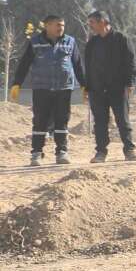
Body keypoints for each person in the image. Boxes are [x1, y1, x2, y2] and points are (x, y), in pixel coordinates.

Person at [10, 14, 85, 166]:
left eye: (62, 25)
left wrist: (84, 84)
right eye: (58, 25)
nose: (61, 28)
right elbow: (25, 63)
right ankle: (36, 153)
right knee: (40, 121)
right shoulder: (35, 42)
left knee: (62, 120)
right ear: (47, 26)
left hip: (63, 88)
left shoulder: (70, 41)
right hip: (41, 88)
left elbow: (77, 64)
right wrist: (17, 83)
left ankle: (62, 152)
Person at [84, 9, 136, 162]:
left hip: (118, 87)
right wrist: (87, 87)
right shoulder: (92, 43)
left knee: (122, 119)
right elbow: (88, 66)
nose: (90, 26)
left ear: (102, 21)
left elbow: (131, 62)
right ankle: (101, 152)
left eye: (92, 23)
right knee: (100, 122)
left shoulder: (121, 39)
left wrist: (130, 82)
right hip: (97, 89)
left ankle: (129, 149)